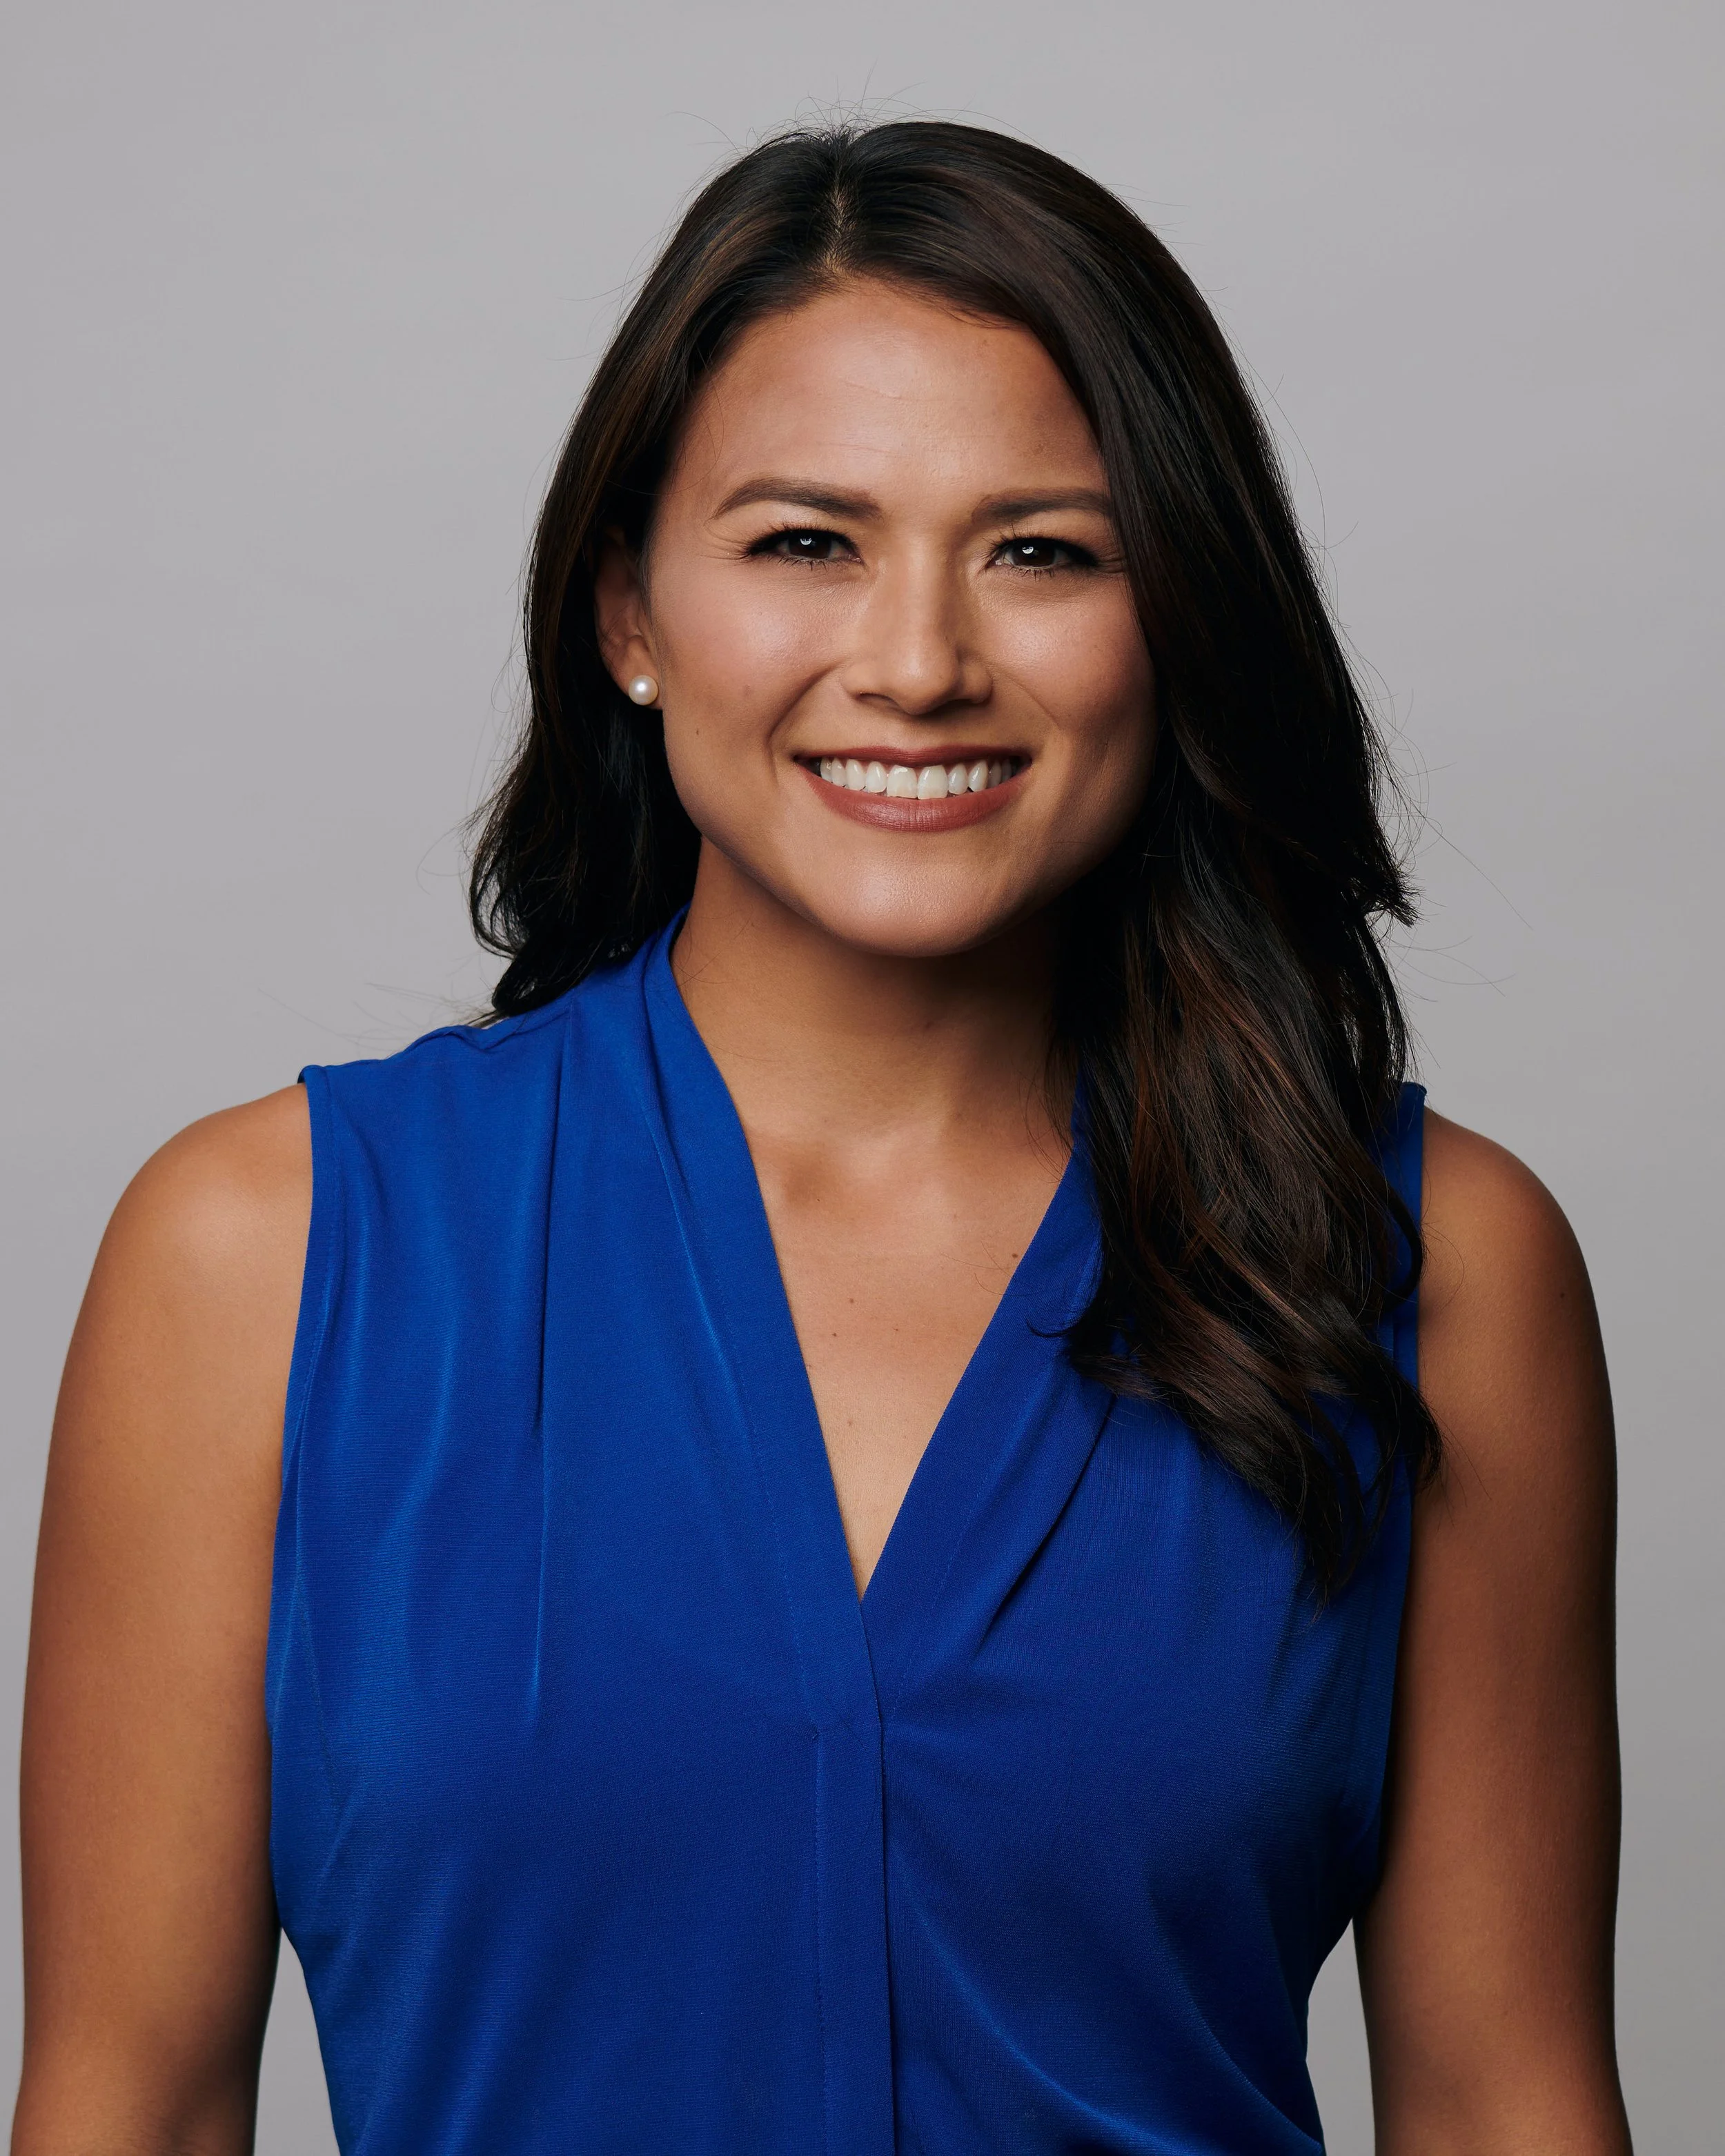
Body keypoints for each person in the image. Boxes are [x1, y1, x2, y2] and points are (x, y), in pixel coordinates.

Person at [14, 121, 1629, 2155]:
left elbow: (1501, 2103)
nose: (920, 661)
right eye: (804, 542)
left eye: (1044, 551)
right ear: (630, 608)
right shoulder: (264, 1254)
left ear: (1177, 620)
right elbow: (129, 2106)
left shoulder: (1428, 1263)